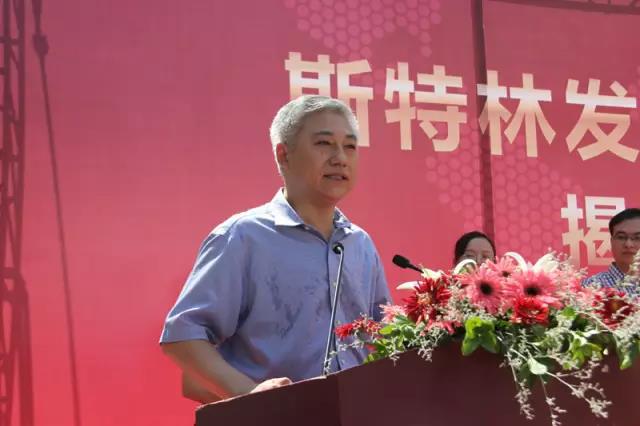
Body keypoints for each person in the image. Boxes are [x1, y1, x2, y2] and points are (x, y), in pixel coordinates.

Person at [159, 95, 391, 402]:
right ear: (284, 155)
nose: (340, 158)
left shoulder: (359, 243)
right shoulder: (244, 236)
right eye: (324, 144)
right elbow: (183, 336)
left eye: (350, 146)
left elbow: (384, 336)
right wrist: (251, 396)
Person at [583, 208, 640, 295]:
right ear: (611, 241)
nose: (628, 244)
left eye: (637, 238)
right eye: (621, 237)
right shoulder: (590, 287)